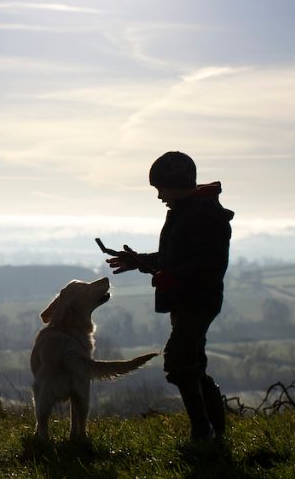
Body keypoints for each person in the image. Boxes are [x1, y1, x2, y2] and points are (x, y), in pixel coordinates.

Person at [100, 151, 234, 442]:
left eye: (161, 188)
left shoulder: (202, 213)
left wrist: (173, 277)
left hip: (197, 301)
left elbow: (209, 264)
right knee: (191, 365)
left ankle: (204, 431)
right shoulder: (189, 210)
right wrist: (138, 261)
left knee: (179, 363)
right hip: (190, 299)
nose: (159, 195)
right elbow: (176, 258)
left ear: (177, 184)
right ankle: (214, 431)